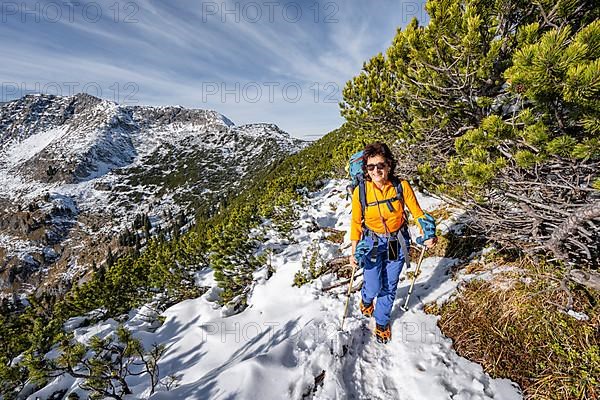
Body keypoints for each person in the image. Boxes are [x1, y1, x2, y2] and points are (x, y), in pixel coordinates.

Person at [349, 142, 437, 343]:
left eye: (380, 165)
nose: (376, 171)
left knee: (389, 284)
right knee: (372, 285)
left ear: (389, 165)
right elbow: (355, 223)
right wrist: (353, 251)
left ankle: (381, 322)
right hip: (371, 241)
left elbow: (417, 213)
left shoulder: (401, 186)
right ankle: (366, 299)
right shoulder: (360, 192)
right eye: (371, 167)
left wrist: (427, 233)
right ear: (366, 169)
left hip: (394, 242)